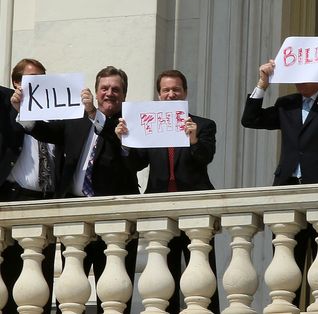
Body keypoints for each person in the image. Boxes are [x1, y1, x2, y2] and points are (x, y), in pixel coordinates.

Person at [11, 65, 139, 314]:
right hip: (75, 216)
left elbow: (136, 160)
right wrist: (23, 113)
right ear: (96, 90)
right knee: (69, 294)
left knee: (114, 295)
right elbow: (47, 132)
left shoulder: (129, 123)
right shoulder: (75, 118)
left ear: (124, 95)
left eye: (116, 89)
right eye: (104, 88)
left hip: (113, 219)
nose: (109, 93)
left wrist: (97, 117)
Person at [115, 69, 219, 313]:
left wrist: (193, 140)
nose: (171, 94)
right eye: (166, 90)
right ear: (159, 95)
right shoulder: (147, 125)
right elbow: (135, 163)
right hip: (159, 209)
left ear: (185, 93)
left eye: (176, 90)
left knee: (203, 271)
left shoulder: (203, 125)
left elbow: (206, 158)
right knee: (163, 274)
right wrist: (125, 141)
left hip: (195, 207)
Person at [241, 59, 318, 309]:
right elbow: (250, 119)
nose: (298, 78)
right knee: (287, 258)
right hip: (288, 187)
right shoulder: (286, 104)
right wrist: (263, 83)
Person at [0, 58, 57, 314]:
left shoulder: (54, 115)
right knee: (12, 275)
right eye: (31, 79)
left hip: (48, 200)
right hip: (16, 199)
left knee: (41, 277)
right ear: (16, 83)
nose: (37, 85)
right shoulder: (6, 111)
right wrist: (17, 109)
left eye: (41, 79)